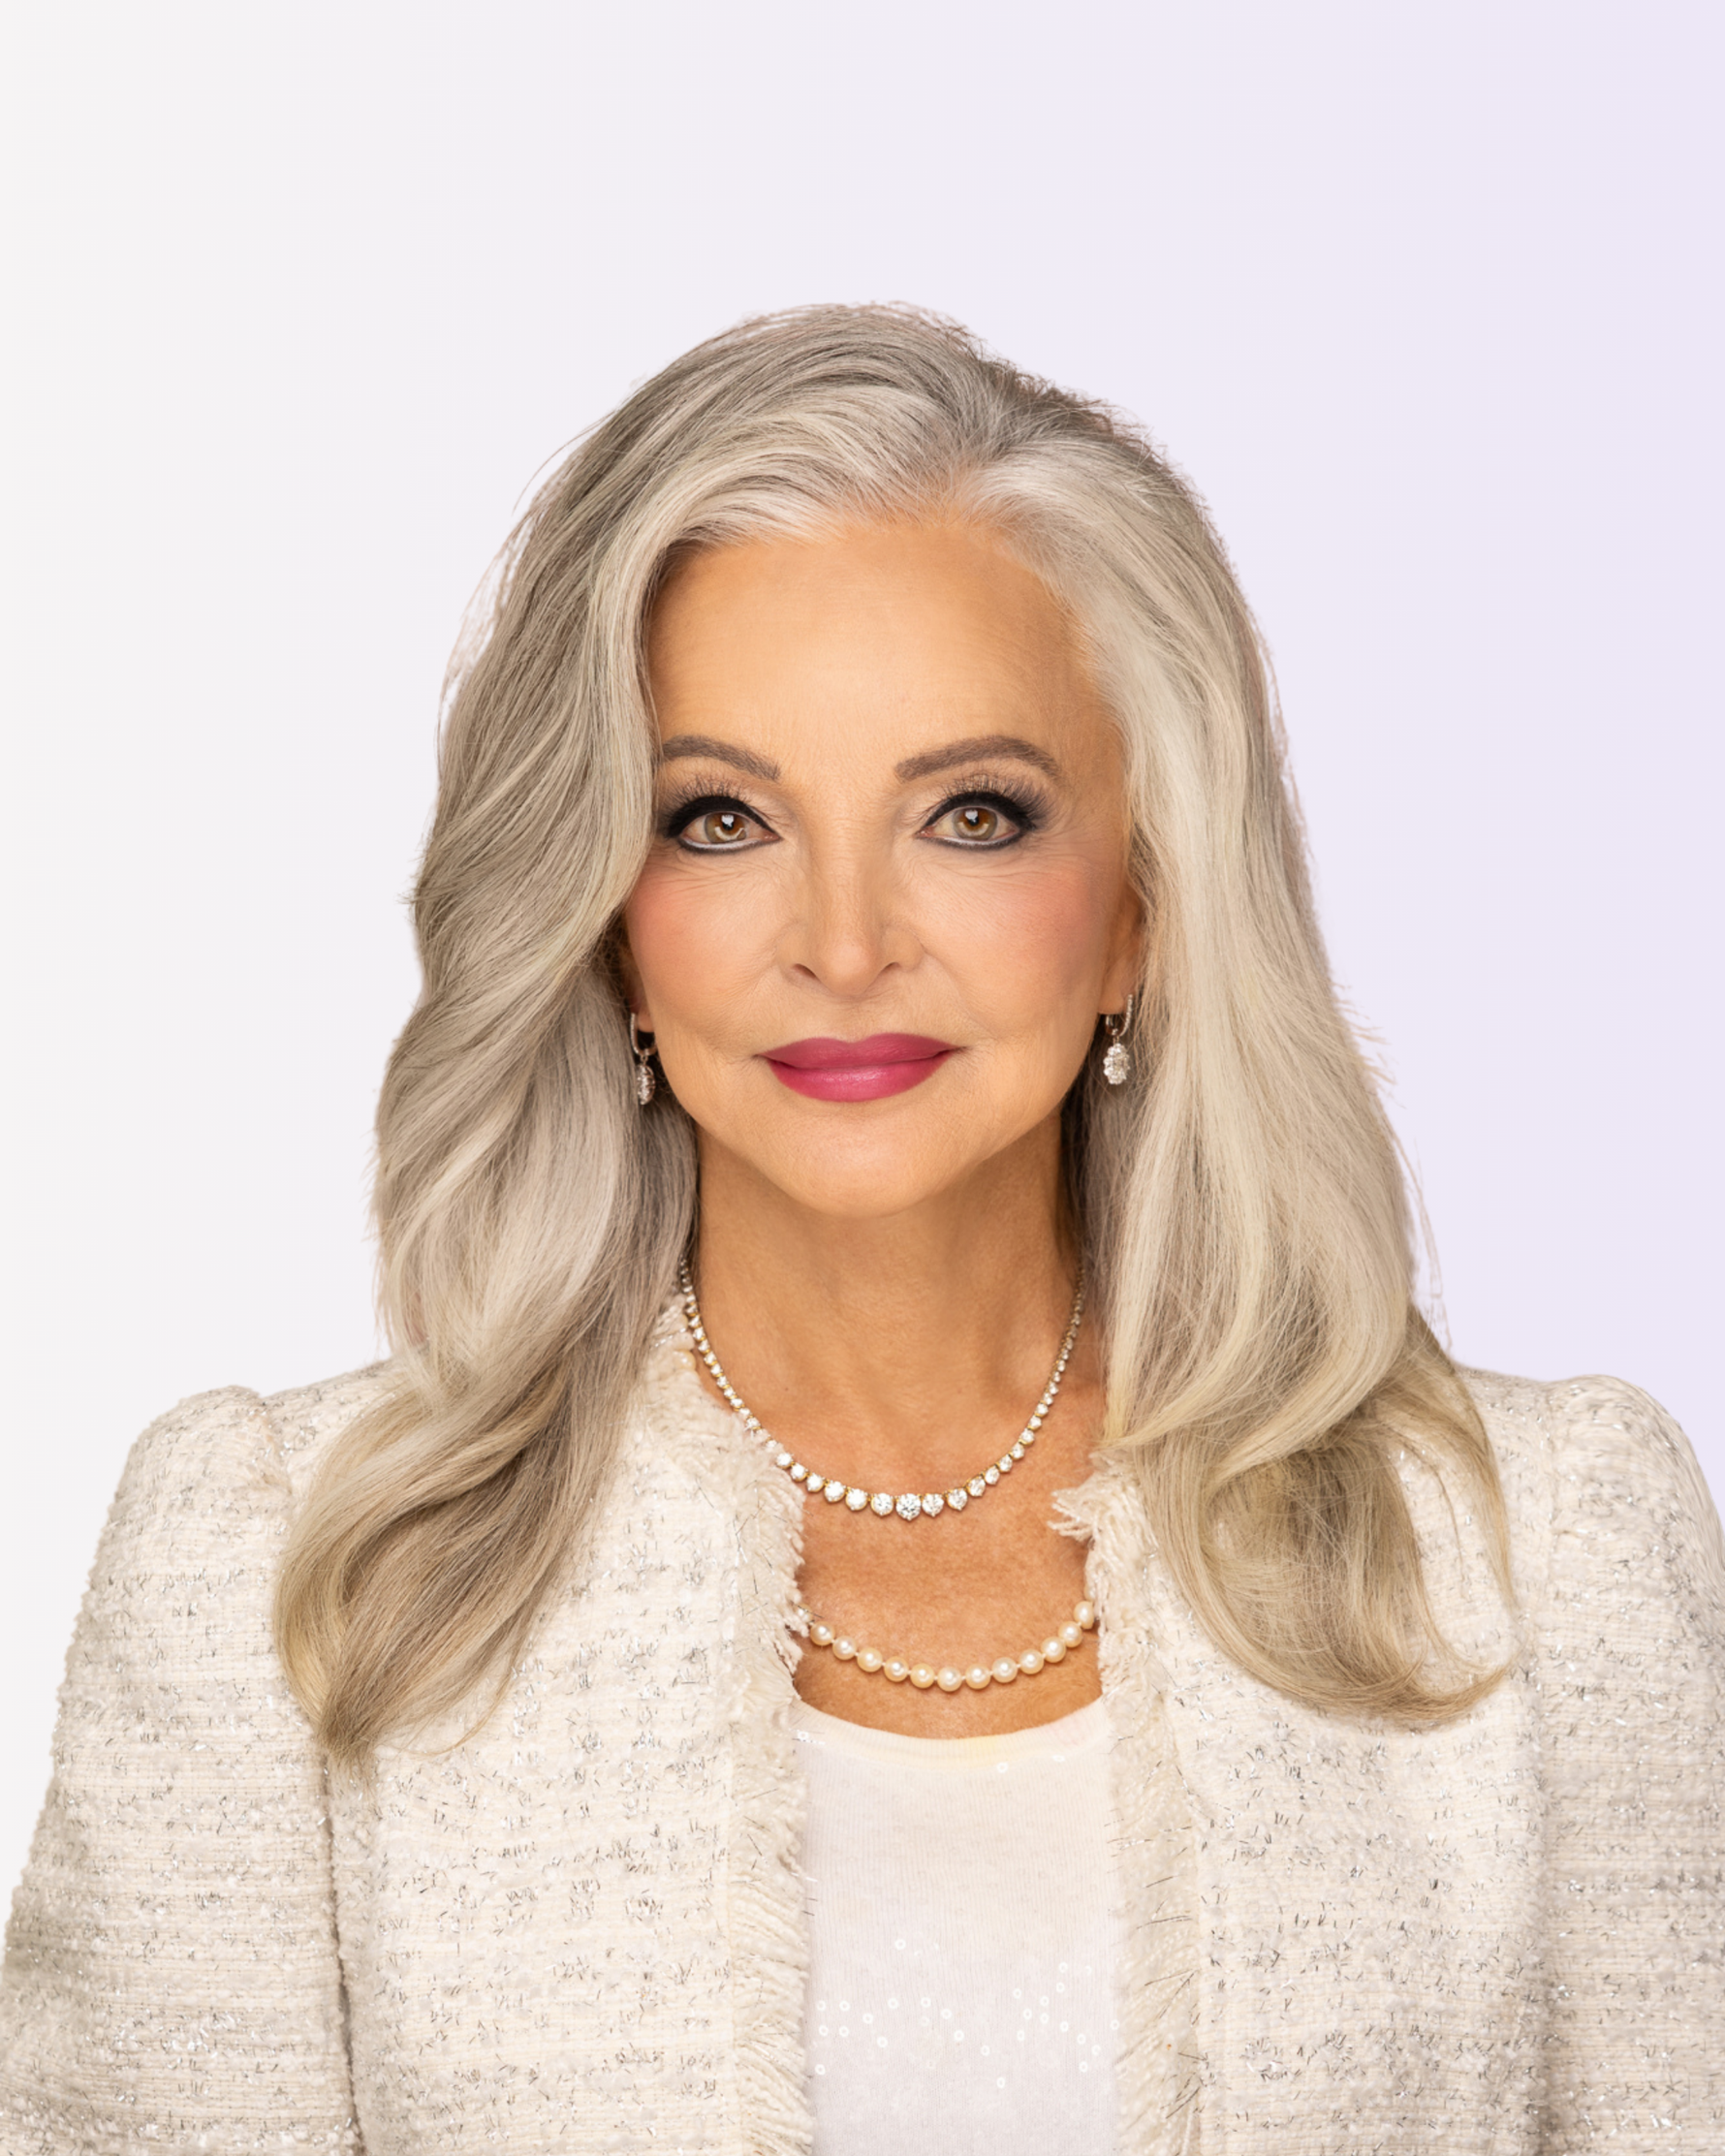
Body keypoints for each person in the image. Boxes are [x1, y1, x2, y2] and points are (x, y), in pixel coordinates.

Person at [2, 306, 1720, 2156]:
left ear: (1142, 904)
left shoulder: (1541, 1557)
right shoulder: (286, 1574)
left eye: (972, 814)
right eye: (719, 817)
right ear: (601, 921)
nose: (842, 941)